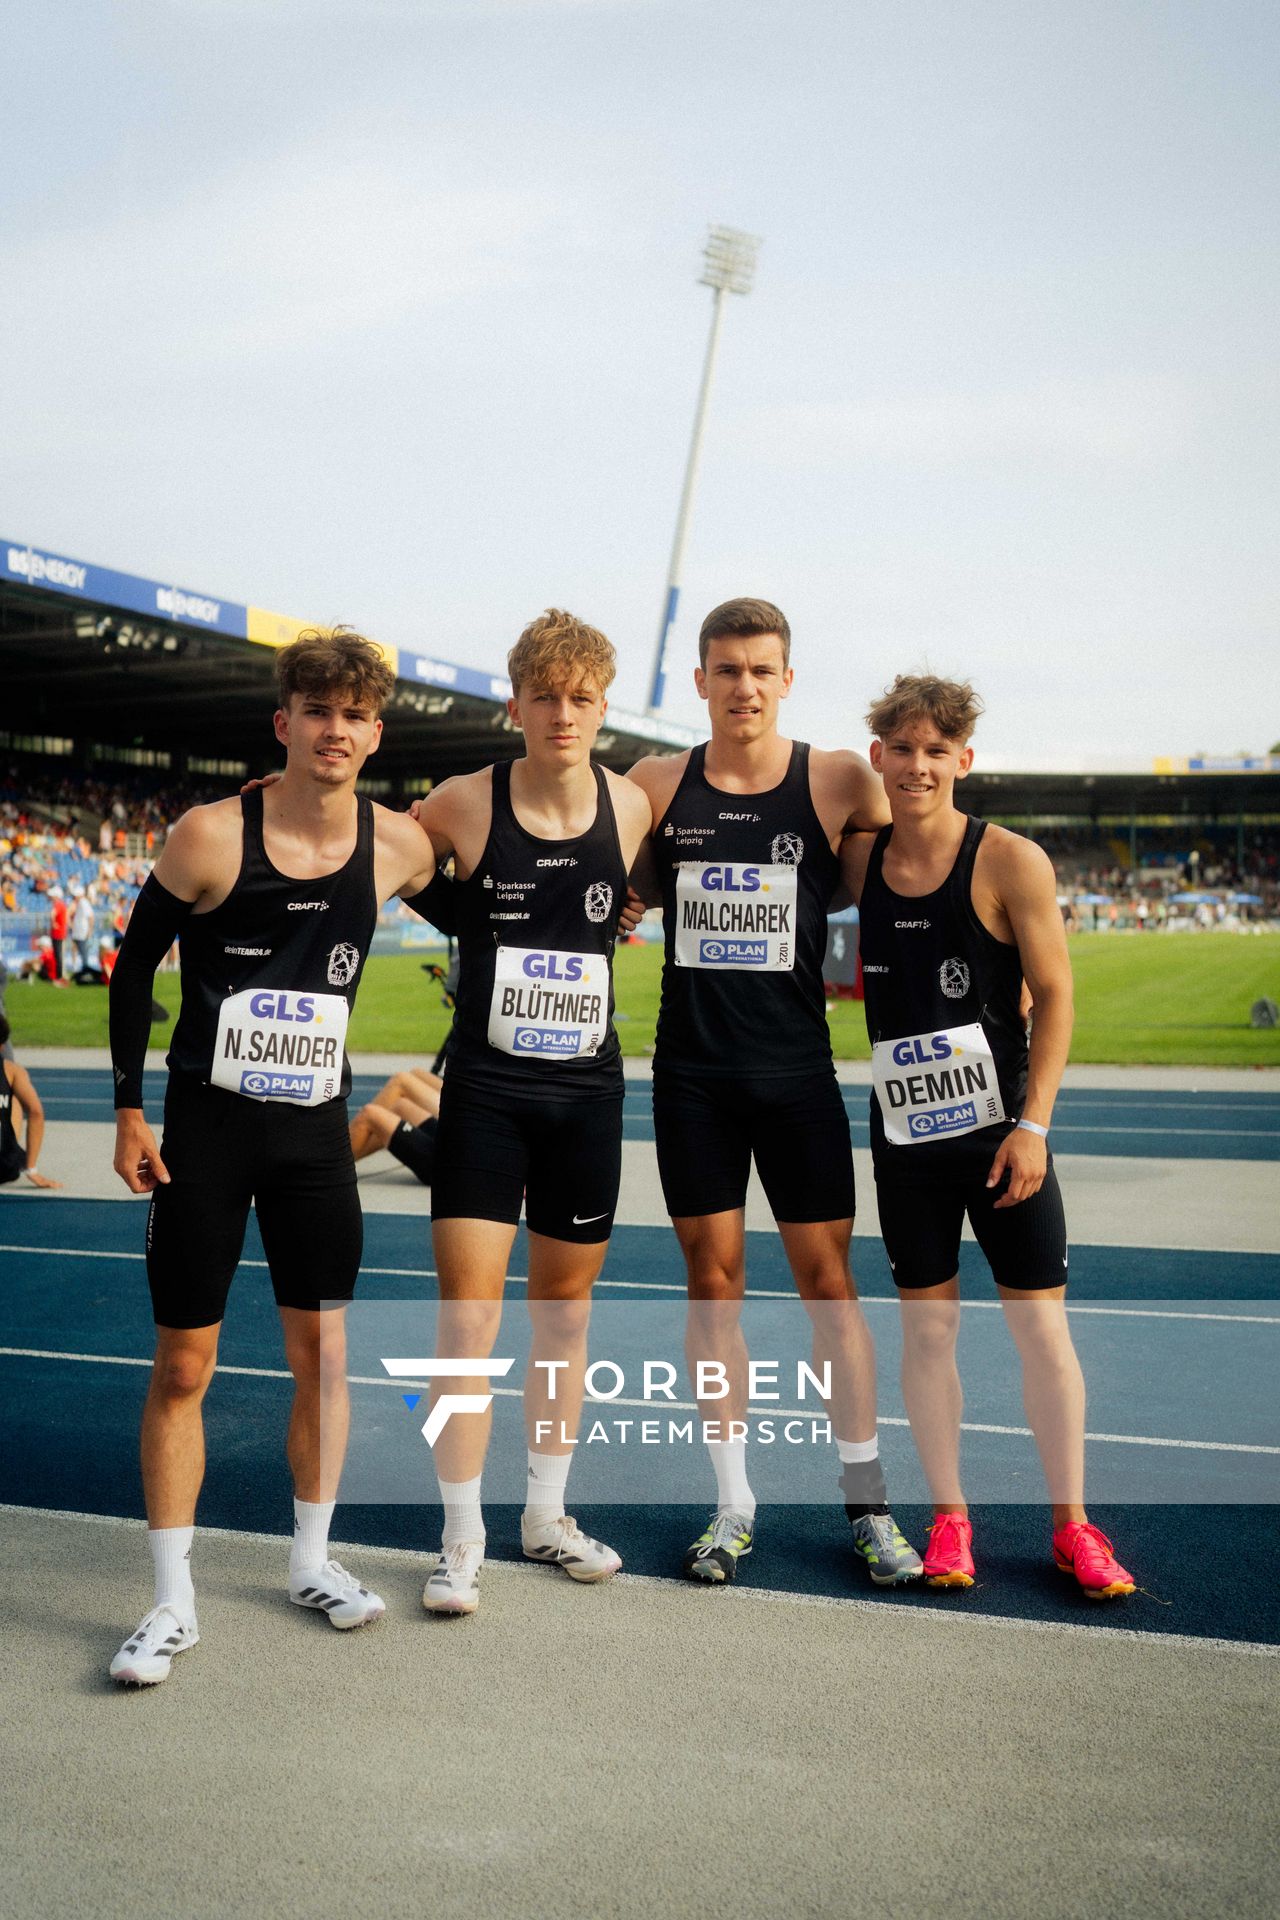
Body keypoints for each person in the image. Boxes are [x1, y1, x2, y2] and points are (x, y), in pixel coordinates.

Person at [106, 627, 441, 1686]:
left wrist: (606, 907)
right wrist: (125, 1110)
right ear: (284, 721)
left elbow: (489, 886)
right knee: (183, 1366)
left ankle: (310, 1559)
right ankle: (170, 1600)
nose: (335, 729)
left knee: (326, 1358)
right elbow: (130, 972)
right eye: (318, 709)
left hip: (310, 1142)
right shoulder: (208, 836)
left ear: (374, 732)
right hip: (205, 1132)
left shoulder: (397, 846)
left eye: (354, 714)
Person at [627, 598, 921, 1587]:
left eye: (760, 669)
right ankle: (732, 1505)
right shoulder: (655, 784)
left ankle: (867, 1504)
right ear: (699, 681)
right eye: (725, 669)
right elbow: (591, 863)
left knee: (829, 1291)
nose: (742, 686)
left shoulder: (837, 778)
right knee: (712, 1291)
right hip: (693, 1079)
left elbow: (889, 868)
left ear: (786, 679)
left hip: (796, 1075)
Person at [841, 673, 1135, 1599]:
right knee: (928, 1336)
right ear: (878, 755)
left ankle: (1072, 1528)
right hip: (908, 1143)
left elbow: (1056, 998)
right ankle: (951, 1519)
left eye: (938, 751)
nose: (919, 765)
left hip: (1005, 1141)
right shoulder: (859, 862)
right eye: (903, 748)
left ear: (964, 760)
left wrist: (1035, 1125)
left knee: (1041, 1331)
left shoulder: (1011, 861)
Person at [408, 609, 651, 1615]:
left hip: (586, 1094)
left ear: (602, 706)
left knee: (563, 1320)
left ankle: (542, 1516)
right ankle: (457, 1538)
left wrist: (624, 913)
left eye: (581, 697)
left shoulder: (630, 806)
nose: (562, 713)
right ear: (514, 702)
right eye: (543, 695)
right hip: (489, 1092)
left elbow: (627, 900)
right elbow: (370, 858)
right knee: (467, 1321)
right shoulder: (460, 805)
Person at [349, 1065, 442, 1186]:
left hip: (453, 1165)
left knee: (370, 1113)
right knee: (399, 1106)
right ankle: (339, 1160)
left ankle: (326, 1166)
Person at [0, 1016, 62, 1189]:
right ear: (3, 1045)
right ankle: (14, 1152)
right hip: (5, 1168)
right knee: (15, 1098)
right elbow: (36, 1112)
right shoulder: (12, 1071)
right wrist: (32, 1170)